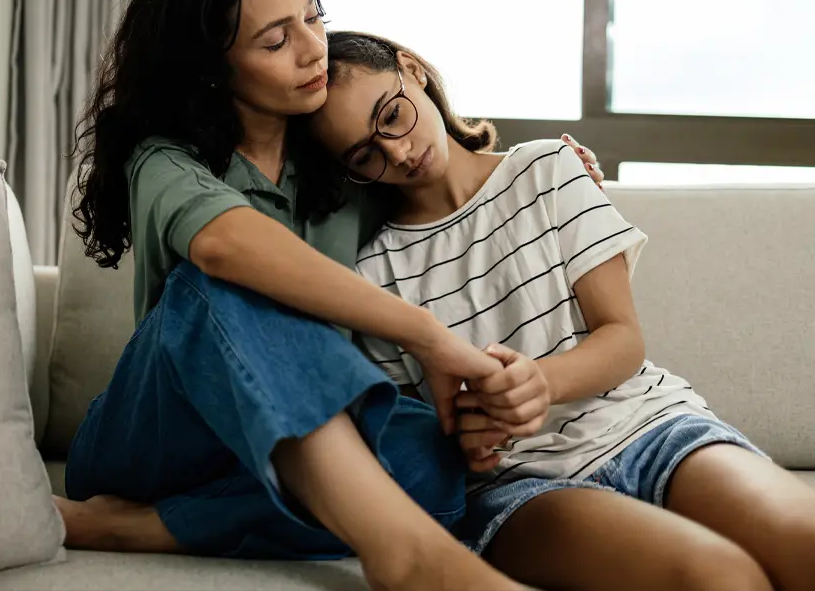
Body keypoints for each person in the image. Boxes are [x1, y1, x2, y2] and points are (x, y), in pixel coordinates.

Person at [55, 0, 601, 591]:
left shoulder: (344, 170)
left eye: (314, 17)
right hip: (159, 441)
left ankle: (138, 527)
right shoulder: (164, 159)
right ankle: (405, 554)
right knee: (221, 283)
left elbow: (435, 178)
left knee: (441, 463)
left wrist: (535, 165)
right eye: (277, 39)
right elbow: (227, 244)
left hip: (288, 456)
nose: (314, 49)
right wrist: (427, 336)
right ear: (210, 65)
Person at [307, 29, 815, 591]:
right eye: (365, 155)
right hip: (523, 488)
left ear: (413, 71)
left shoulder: (549, 168)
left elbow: (623, 338)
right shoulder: (371, 275)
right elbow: (420, 439)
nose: (397, 152)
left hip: (655, 427)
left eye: (392, 115)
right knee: (722, 578)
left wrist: (538, 383)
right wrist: (470, 438)